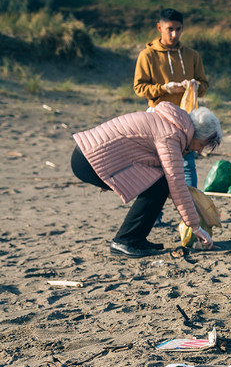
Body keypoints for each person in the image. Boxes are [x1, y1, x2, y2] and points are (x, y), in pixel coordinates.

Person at [70, 104, 222, 258]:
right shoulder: (171, 135)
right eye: (202, 145)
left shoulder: (174, 123)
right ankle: (124, 241)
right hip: (90, 160)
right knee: (161, 185)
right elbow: (176, 183)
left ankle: (136, 239)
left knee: (159, 183)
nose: (200, 151)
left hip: (92, 156)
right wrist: (195, 227)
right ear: (195, 134)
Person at [133, 8, 210, 188]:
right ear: (159, 27)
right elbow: (139, 88)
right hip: (158, 118)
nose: (174, 34)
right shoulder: (147, 55)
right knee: (156, 167)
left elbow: (204, 85)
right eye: (170, 29)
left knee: (187, 166)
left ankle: (192, 214)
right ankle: (155, 216)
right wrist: (165, 88)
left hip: (187, 118)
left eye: (178, 29)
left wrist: (196, 86)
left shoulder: (192, 55)